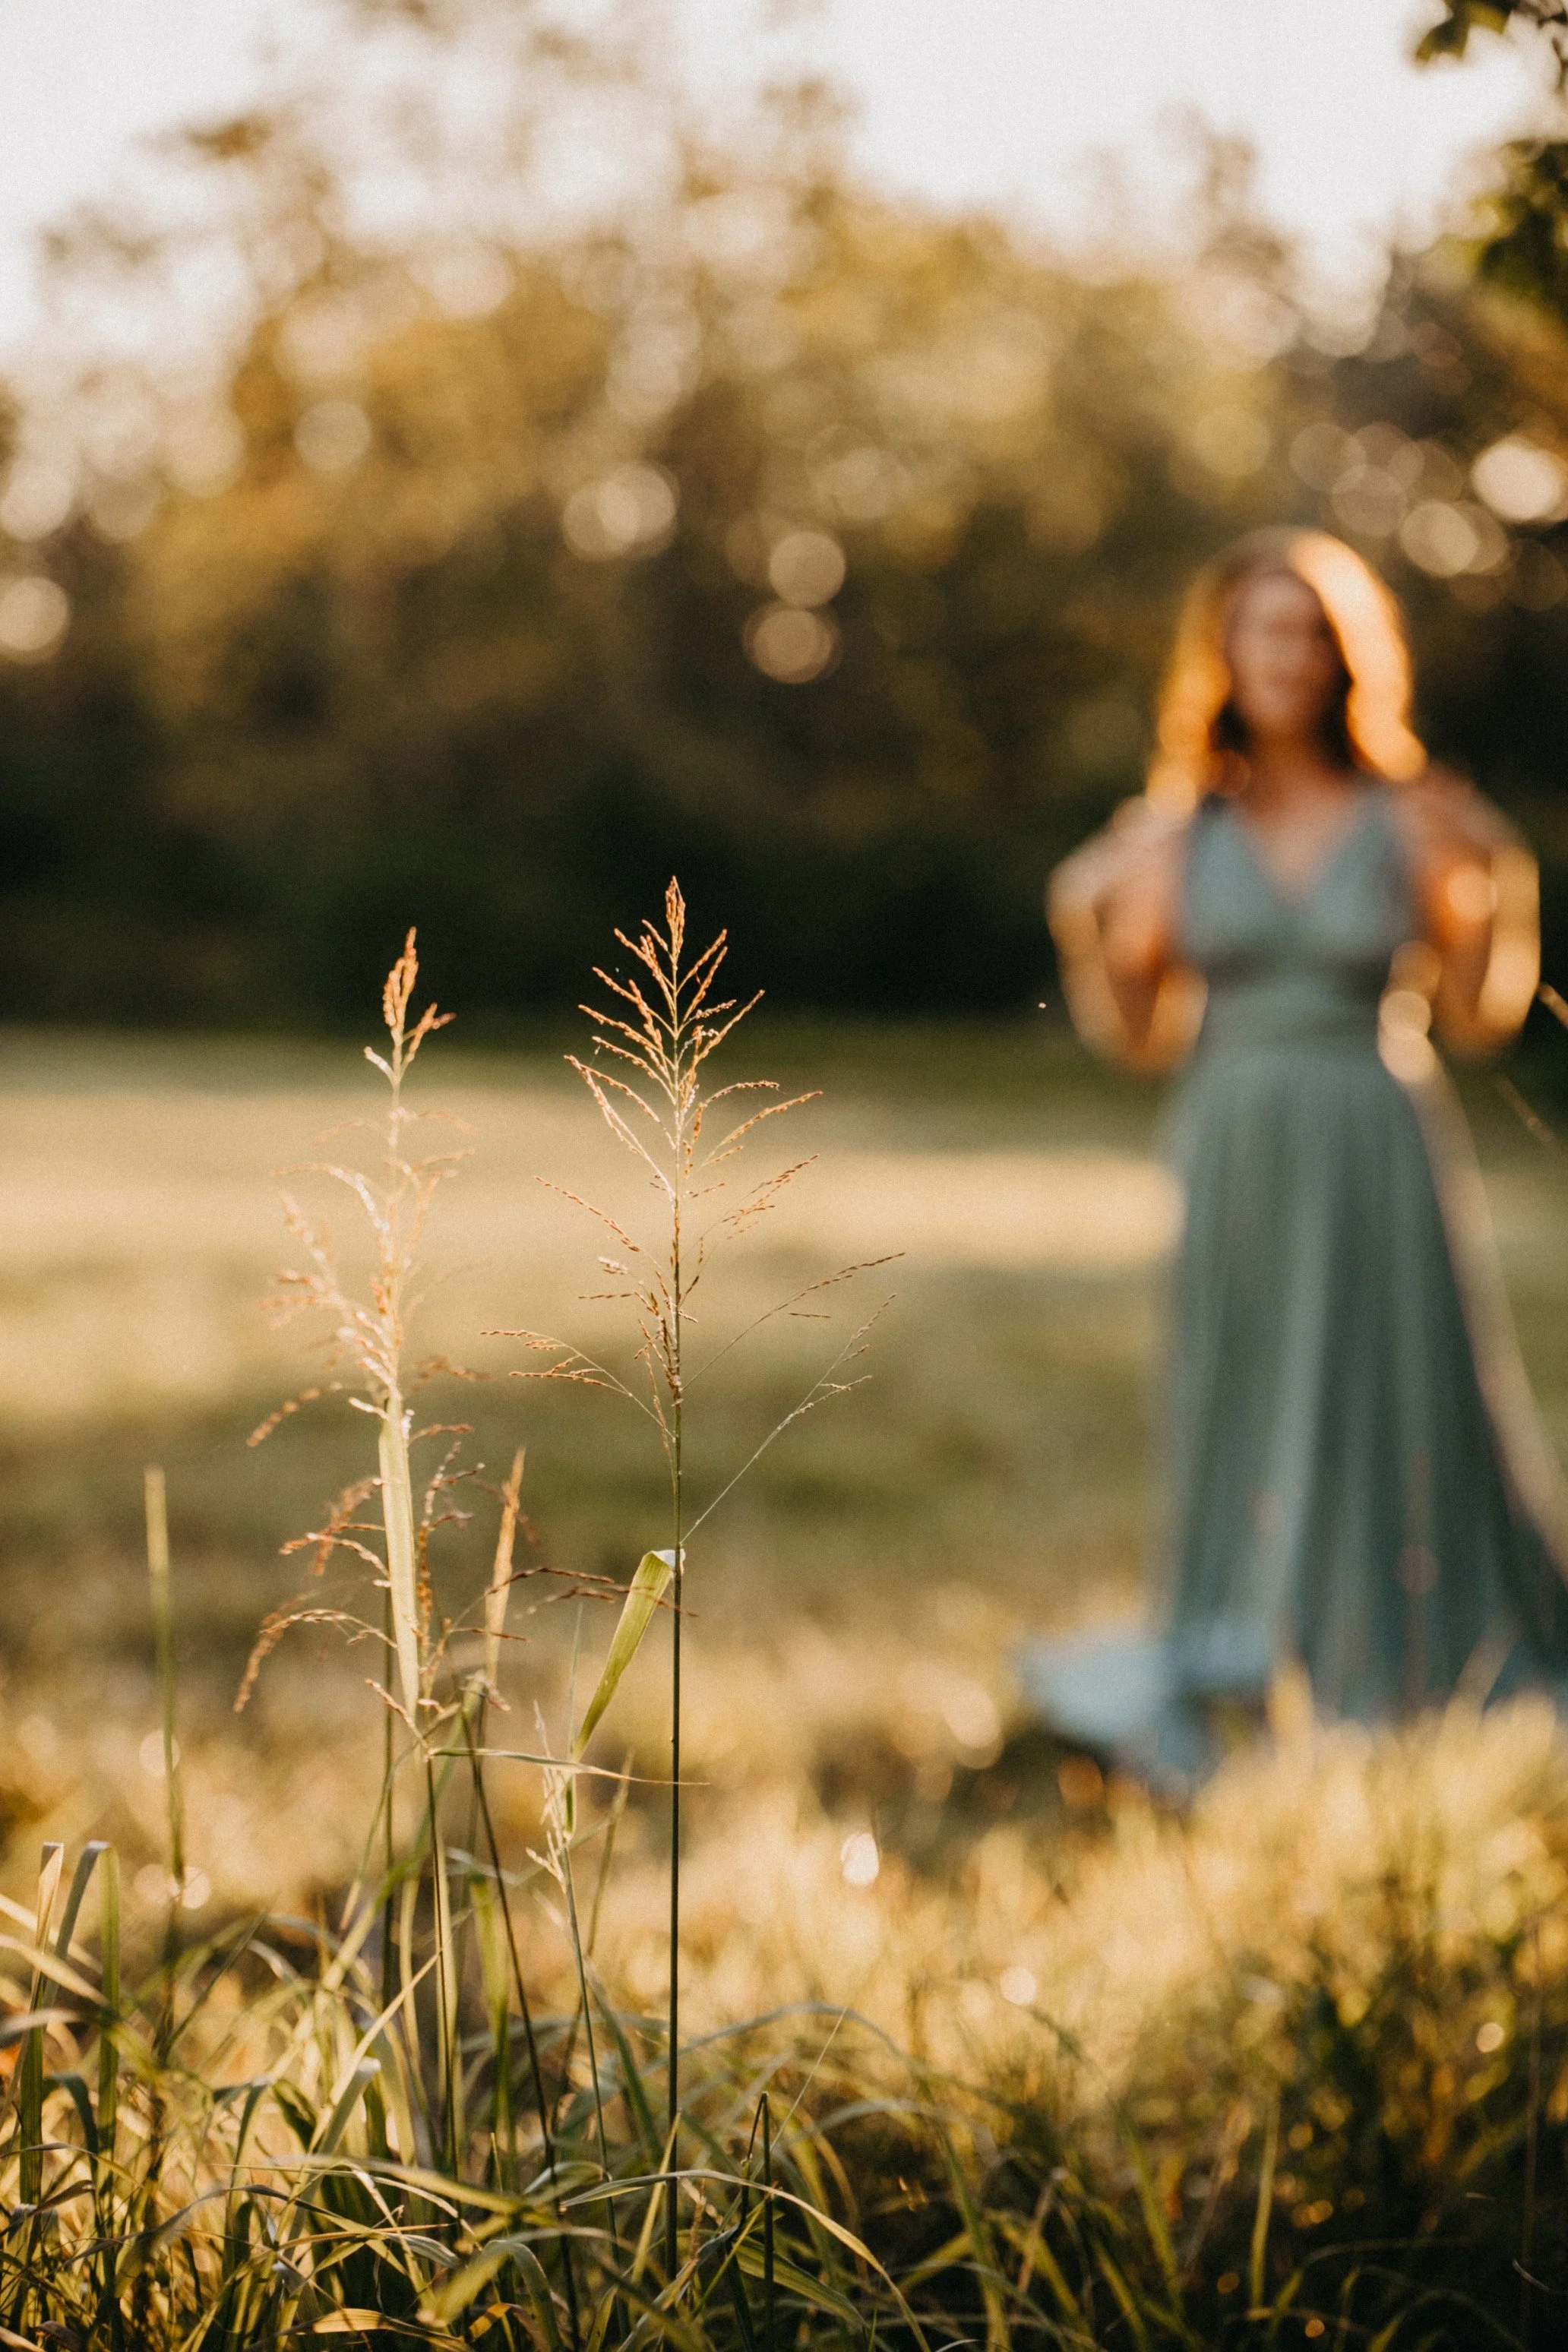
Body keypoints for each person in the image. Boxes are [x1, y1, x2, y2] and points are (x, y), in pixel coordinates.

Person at [1023, 527, 1568, 1788]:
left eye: (1314, 633)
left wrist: (1496, 882)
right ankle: (1245, 1634)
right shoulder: (1177, 828)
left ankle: (1419, 1645)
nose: (1289, 655)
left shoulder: (1412, 812)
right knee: (1248, 1387)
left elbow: (1483, 1017)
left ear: (1346, 657)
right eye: (1266, 630)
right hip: (1234, 1136)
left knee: (1397, 1391)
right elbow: (1141, 1040)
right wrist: (1096, 916)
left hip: (1376, 1131)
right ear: (1224, 652)